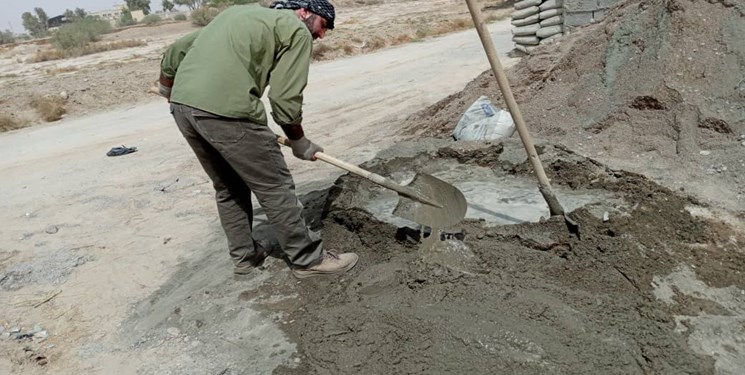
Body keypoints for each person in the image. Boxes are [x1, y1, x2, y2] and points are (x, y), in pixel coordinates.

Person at [158, 1, 358, 278]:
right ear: (304, 12)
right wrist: (299, 140)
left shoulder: (236, 13)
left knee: (229, 188)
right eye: (324, 25)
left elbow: (177, 50)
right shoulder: (296, 31)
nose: (322, 35)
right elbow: (284, 97)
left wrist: (166, 87)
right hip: (229, 113)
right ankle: (308, 259)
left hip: (184, 108)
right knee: (275, 187)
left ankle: (245, 257)